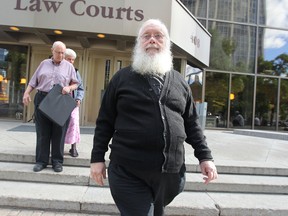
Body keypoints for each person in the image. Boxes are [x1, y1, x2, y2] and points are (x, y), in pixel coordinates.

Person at [90, 19, 218, 216]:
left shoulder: (180, 82)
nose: (152, 40)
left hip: (170, 175)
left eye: (158, 36)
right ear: (138, 43)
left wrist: (205, 156)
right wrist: (97, 158)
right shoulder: (121, 78)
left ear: (167, 44)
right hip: (128, 171)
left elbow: (191, 124)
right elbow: (105, 122)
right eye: (146, 36)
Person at [23, 41, 79, 173]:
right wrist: (26, 93)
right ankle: (41, 161)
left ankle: (57, 162)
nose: (60, 55)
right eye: (58, 52)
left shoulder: (69, 66)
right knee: (42, 131)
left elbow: (76, 84)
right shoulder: (43, 64)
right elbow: (33, 82)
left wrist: (68, 87)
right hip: (42, 98)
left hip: (59, 99)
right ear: (52, 51)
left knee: (59, 132)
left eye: (62, 53)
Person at [64, 48, 85, 157]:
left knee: (74, 123)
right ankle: (57, 146)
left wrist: (79, 98)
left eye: (73, 60)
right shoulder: (60, 70)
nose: (71, 62)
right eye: (69, 59)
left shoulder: (76, 72)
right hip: (60, 102)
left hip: (72, 103)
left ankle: (73, 147)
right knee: (59, 123)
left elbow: (80, 88)